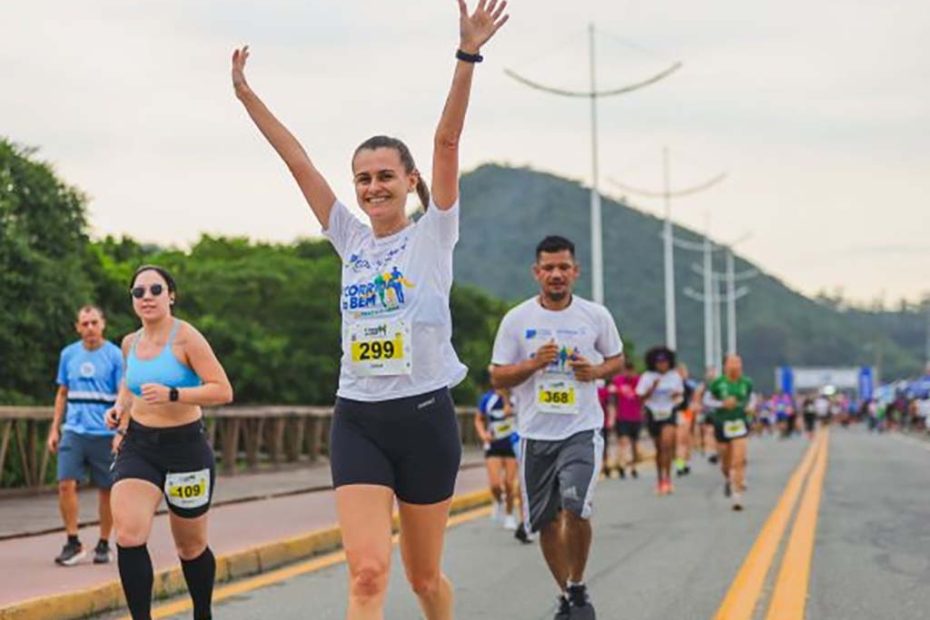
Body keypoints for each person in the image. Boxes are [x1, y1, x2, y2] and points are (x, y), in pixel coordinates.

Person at [232, 4, 508, 618]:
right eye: (362, 178)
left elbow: (447, 139)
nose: (372, 187)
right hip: (358, 418)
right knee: (365, 573)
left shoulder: (434, 234)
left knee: (423, 578)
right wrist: (248, 98)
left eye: (386, 175)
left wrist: (467, 56)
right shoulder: (349, 238)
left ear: (411, 181)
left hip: (424, 418)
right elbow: (296, 159)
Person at [491, 235, 623, 620]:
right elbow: (498, 376)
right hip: (534, 434)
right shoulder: (517, 320)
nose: (556, 274)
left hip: (580, 430)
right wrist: (531, 364)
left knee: (575, 505)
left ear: (575, 271)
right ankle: (565, 593)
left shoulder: (595, 316)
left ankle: (578, 584)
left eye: (564, 267)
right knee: (546, 521)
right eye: (548, 268)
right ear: (537, 273)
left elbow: (617, 360)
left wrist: (595, 370)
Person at [106, 266, 233, 620]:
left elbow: (222, 390)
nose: (146, 297)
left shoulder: (187, 338)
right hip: (139, 446)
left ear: (170, 295)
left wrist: (174, 393)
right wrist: (119, 408)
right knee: (129, 535)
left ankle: (202, 614)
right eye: (138, 292)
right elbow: (130, 384)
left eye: (155, 290)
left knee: (190, 546)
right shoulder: (130, 342)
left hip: (185, 450)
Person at [47, 305, 123, 566]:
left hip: (104, 431)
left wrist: (120, 431)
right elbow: (62, 393)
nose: (90, 328)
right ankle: (73, 541)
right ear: (78, 327)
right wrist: (55, 428)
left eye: (94, 322)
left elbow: (123, 396)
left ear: (103, 324)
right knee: (65, 483)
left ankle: (103, 542)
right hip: (74, 430)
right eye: (85, 323)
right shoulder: (68, 354)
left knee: (106, 489)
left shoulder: (114, 356)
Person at [704, 354, 754, 511]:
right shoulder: (718, 383)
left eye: (738, 362)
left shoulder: (746, 382)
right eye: (732, 363)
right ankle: (729, 479)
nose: (735, 366)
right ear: (725, 366)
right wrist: (722, 404)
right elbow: (707, 400)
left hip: (739, 423)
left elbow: (752, 397)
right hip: (722, 424)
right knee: (726, 462)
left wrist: (751, 407)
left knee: (738, 460)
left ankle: (737, 495)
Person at [636, 346, 684, 495]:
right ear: (654, 363)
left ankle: (667, 479)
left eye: (665, 361)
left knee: (667, 444)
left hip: (668, 412)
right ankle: (659, 478)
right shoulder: (647, 376)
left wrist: (676, 396)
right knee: (659, 449)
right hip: (653, 412)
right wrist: (652, 387)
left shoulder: (674, 376)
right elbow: (640, 397)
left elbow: (680, 396)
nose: (662, 364)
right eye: (659, 362)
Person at [474, 385, 519, 530]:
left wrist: (508, 404)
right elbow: (478, 419)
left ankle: (509, 515)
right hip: (493, 444)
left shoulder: (517, 397)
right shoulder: (488, 398)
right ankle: (499, 501)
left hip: (512, 444)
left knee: (509, 484)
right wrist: (483, 435)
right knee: (495, 484)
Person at [612, 360, 642, 479]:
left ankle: (633, 467)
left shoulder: (639, 381)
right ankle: (622, 465)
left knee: (634, 443)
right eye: (626, 370)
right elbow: (612, 394)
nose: (628, 373)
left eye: (631, 370)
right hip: (622, 417)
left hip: (636, 417)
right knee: (623, 442)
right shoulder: (618, 381)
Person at [673, 363, 696, 476]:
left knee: (685, 440)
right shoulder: (672, 386)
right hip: (675, 414)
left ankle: (684, 462)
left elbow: (691, 402)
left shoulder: (688, 387)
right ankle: (680, 464)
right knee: (680, 441)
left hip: (686, 413)